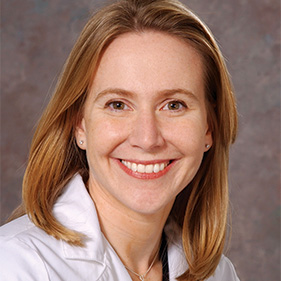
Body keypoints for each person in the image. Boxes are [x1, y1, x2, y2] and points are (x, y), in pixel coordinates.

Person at [0, 0, 240, 280]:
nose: (147, 138)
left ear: (209, 128)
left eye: (174, 105)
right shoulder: (14, 265)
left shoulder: (219, 274)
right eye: (118, 105)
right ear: (80, 125)